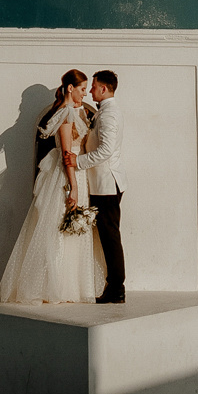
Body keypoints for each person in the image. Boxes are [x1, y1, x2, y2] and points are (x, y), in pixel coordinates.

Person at [0, 70, 98, 304]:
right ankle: (51, 287)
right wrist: (74, 186)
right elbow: (66, 153)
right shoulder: (66, 114)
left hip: (75, 174)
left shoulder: (72, 112)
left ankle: (65, 286)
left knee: (66, 229)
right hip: (67, 176)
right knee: (57, 228)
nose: (85, 93)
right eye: (83, 89)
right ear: (70, 88)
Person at [82, 70, 127, 302]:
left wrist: (78, 162)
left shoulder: (109, 115)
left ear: (104, 88)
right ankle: (115, 288)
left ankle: (116, 289)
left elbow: (106, 150)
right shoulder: (107, 112)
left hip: (107, 184)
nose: (90, 91)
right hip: (105, 183)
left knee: (110, 237)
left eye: (93, 86)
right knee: (109, 236)